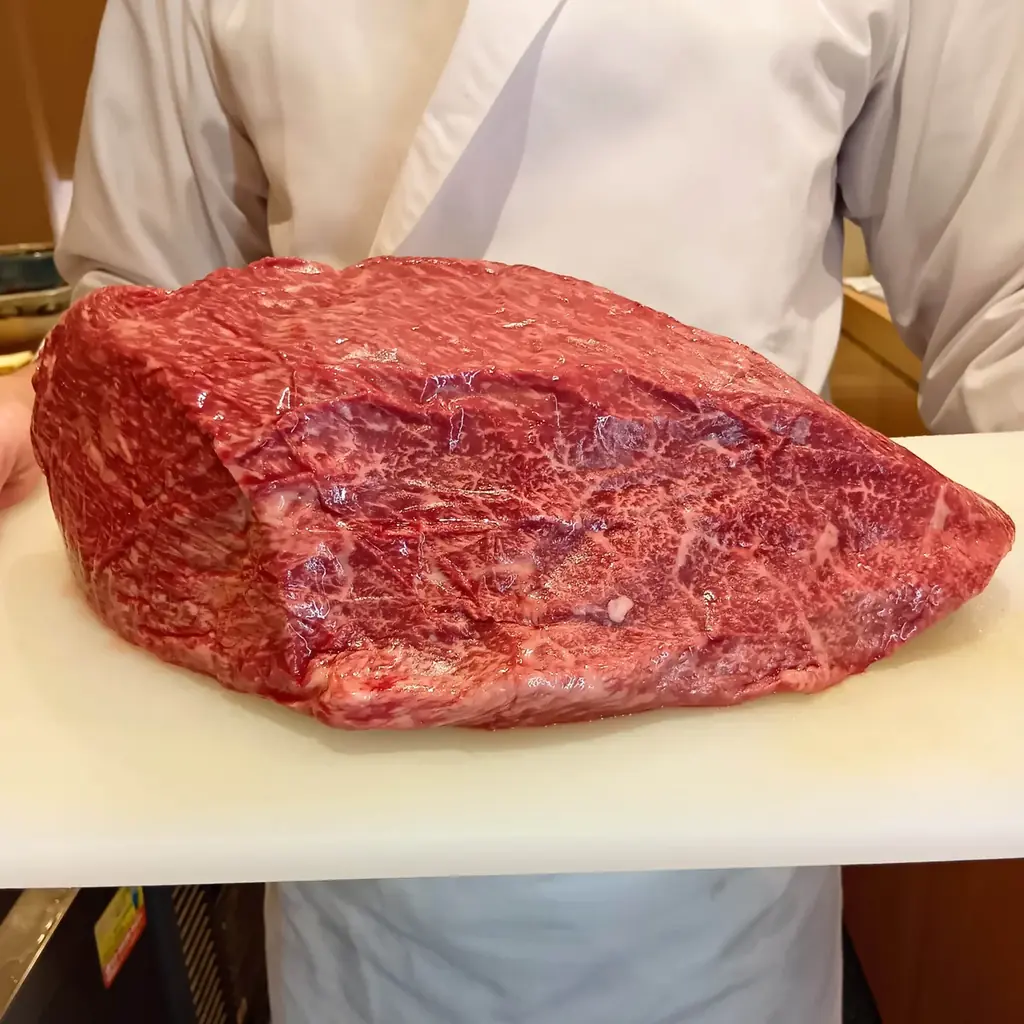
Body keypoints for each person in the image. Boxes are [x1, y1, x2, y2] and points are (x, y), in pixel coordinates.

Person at [2, 1, 1022, 1020]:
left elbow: (1004, 299)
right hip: (345, 818)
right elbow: (142, 312)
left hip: (735, 791)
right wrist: (37, 419)